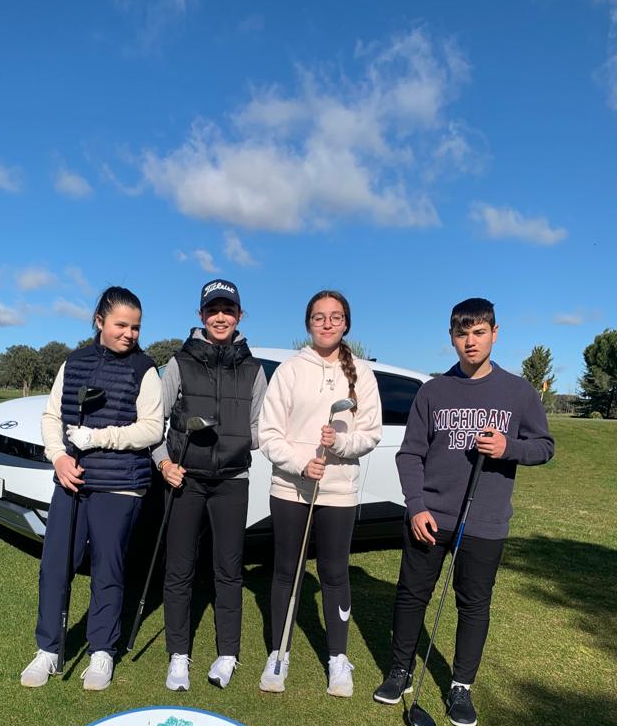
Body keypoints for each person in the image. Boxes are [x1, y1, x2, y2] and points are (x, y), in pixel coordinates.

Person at [373, 297, 554, 726]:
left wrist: (508, 448)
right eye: (461, 333)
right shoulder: (433, 391)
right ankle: (400, 670)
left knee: (473, 604)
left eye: (478, 332)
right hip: (431, 515)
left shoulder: (518, 392)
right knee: (412, 594)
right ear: (451, 338)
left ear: (494, 334)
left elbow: (544, 446)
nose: (470, 342)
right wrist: (415, 507)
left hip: (485, 519)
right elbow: (409, 455)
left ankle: (460, 688)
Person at [20, 286, 163, 690]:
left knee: (107, 567)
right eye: (121, 325)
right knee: (55, 565)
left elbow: (152, 428)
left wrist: (99, 437)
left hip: (121, 484)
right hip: (71, 478)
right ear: (99, 321)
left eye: (135, 327)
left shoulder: (144, 369)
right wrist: (58, 457)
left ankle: (102, 650)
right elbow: (52, 416)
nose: (129, 334)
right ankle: (48, 649)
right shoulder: (73, 362)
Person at [257, 290, 383, 696]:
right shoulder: (291, 370)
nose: (327, 324)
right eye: (318, 317)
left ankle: (337, 659)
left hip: (338, 491)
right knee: (286, 571)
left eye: (335, 317)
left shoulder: (361, 373)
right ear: (308, 323)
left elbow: (371, 433)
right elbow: (268, 433)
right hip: (290, 488)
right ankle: (279, 653)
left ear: (346, 323)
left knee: (333, 573)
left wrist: (341, 445)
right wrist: (300, 462)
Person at [154, 279, 267, 692]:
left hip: (232, 481)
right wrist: (163, 463)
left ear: (239, 315)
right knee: (179, 569)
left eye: (229, 310)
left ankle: (227, 654)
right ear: (201, 315)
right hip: (185, 477)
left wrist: (235, 437)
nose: (221, 317)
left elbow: (258, 430)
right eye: (213, 310)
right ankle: (178, 655)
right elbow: (156, 424)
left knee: (228, 569)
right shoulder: (178, 363)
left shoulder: (254, 370)